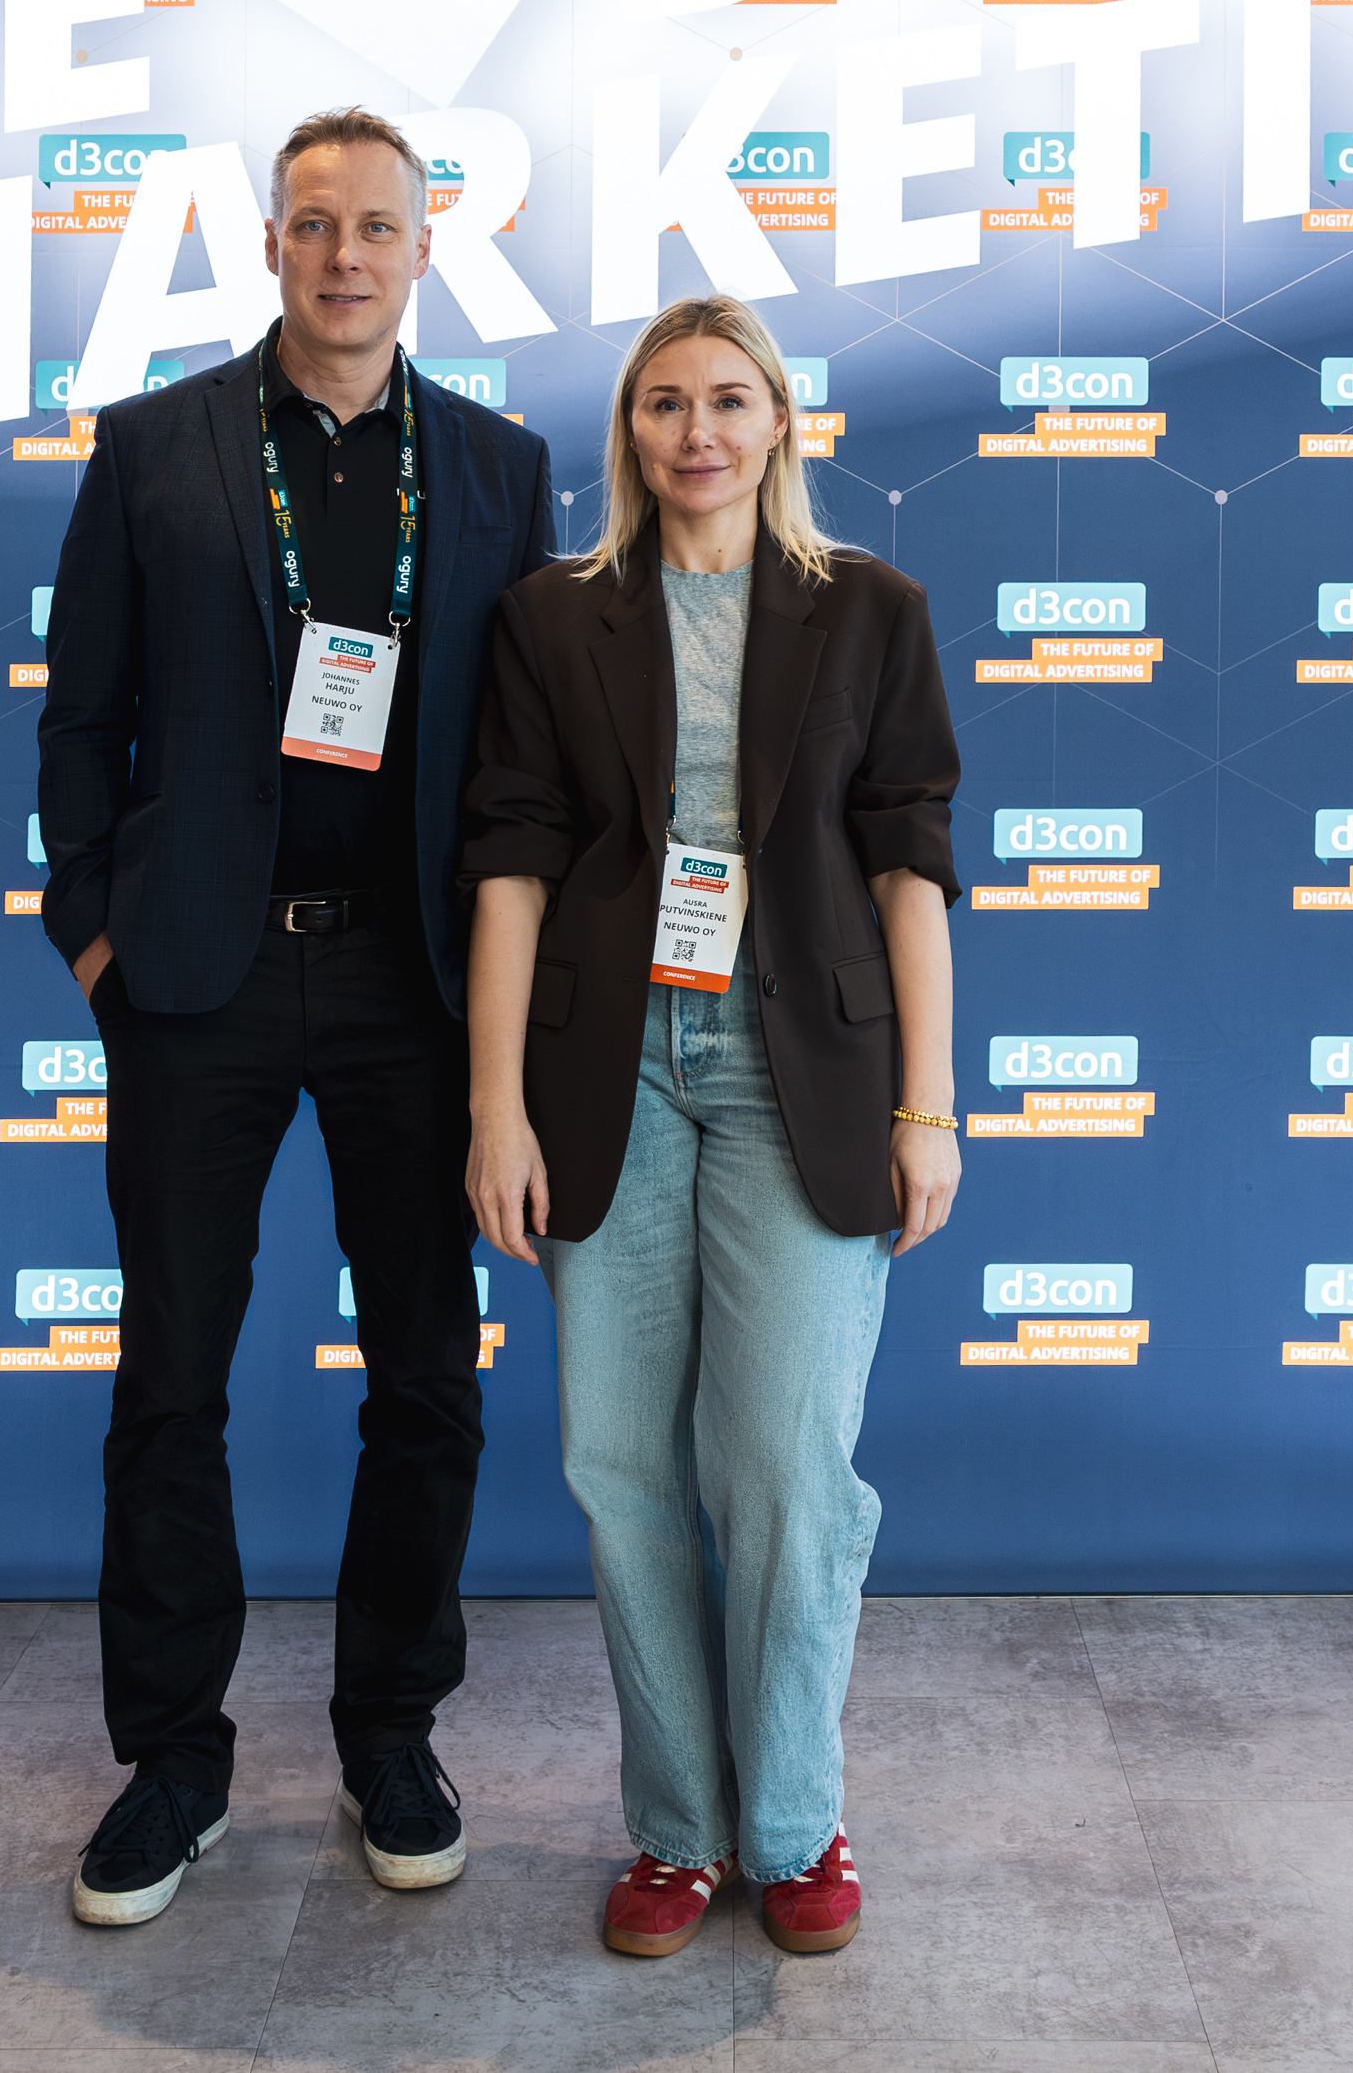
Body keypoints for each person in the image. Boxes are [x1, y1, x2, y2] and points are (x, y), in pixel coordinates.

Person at [35, 106, 554, 1927]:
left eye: (378, 227)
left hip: (414, 983)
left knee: (426, 1379)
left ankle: (391, 1736)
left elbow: (523, 755)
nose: (346, 255)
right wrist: (94, 936)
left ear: (424, 250)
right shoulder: (153, 446)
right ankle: (173, 1765)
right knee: (170, 1379)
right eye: (314, 224)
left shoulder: (498, 468)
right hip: (201, 976)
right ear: (269, 245)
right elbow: (79, 715)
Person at [458, 293, 962, 1960]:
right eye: (666, 402)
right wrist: (495, 1107)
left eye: (730, 400)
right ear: (630, 430)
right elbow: (511, 867)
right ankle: (679, 1830)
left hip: (795, 1073)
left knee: (785, 1470)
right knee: (620, 1467)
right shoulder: (553, 618)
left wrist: (931, 1105)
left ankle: (796, 1823)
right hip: (607, 1076)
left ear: (779, 423)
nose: (698, 432)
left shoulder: (870, 610)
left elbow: (911, 872)